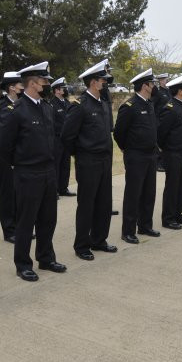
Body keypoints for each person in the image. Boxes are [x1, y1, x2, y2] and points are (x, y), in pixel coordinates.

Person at [0, 62, 66, 281]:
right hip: (27, 173)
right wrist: (16, 170)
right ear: (33, 83)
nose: (47, 84)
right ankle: (23, 264)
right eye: (44, 81)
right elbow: (3, 148)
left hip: (48, 171)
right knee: (26, 221)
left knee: (48, 219)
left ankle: (46, 258)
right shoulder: (15, 111)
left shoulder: (46, 107)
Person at [62, 60, 116, 260]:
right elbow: (67, 137)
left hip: (104, 160)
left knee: (104, 202)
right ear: (94, 82)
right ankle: (82, 244)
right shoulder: (80, 105)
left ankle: (99, 240)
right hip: (88, 161)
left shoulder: (102, 103)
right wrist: (81, 155)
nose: (105, 83)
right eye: (103, 80)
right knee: (86, 204)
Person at [113, 68, 161, 245]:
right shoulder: (130, 106)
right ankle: (128, 231)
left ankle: (145, 226)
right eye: (152, 83)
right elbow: (119, 133)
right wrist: (127, 149)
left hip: (150, 155)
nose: (154, 86)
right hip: (136, 156)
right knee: (133, 194)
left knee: (149, 192)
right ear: (145, 86)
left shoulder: (149, 104)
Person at [0, 71, 23, 243]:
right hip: (5, 159)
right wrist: (1, 154)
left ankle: (19, 226)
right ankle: (9, 230)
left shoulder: (23, 104)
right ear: (12, 88)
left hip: (21, 158)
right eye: (20, 84)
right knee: (8, 193)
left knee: (20, 194)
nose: (23, 87)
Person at [158, 75, 182, 230]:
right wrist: (167, 149)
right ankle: (168, 218)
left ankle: (178, 213)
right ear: (179, 90)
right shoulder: (170, 108)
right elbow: (161, 134)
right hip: (173, 153)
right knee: (172, 186)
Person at [50, 77, 75, 197]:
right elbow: (51, 123)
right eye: (63, 88)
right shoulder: (52, 104)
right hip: (57, 139)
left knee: (66, 164)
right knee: (56, 165)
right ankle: (54, 190)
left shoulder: (68, 103)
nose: (65, 90)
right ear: (57, 90)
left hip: (67, 139)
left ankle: (63, 188)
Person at [101, 68, 120, 217]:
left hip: (107, 132)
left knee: (107, 175)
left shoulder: (105, 89)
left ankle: (106, 205)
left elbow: (111, 80)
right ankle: (103, 206)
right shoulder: (100, 92)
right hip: (101, 135)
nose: (106, 81)